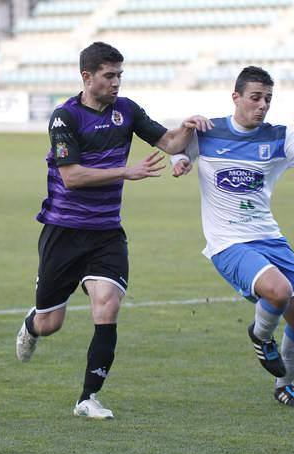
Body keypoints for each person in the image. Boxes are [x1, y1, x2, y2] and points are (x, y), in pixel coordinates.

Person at [14, 41, 212, 419]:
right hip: (64, 232)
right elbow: (71, 178)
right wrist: (126, 171)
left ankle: (87, 398)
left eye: (120, 74)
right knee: (50, 322)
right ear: (87, 77)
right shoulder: (64, 117)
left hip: (105, 232)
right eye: (109, 75)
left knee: (107, 306)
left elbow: (170, 143)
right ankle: (32, 324)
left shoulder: (127, 110)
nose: (117, 82)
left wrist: (187, 128)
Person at [169, 66, 294, 408]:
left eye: (267, 99)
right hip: (228, 242)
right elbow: (177, 148)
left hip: (268, 236)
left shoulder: (280, 137)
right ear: (236, 97)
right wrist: (180, 160)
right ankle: (260, 336)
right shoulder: (207, 131)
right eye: (255, 97)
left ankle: (284, 386)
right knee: (277, 291)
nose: (262, 105)